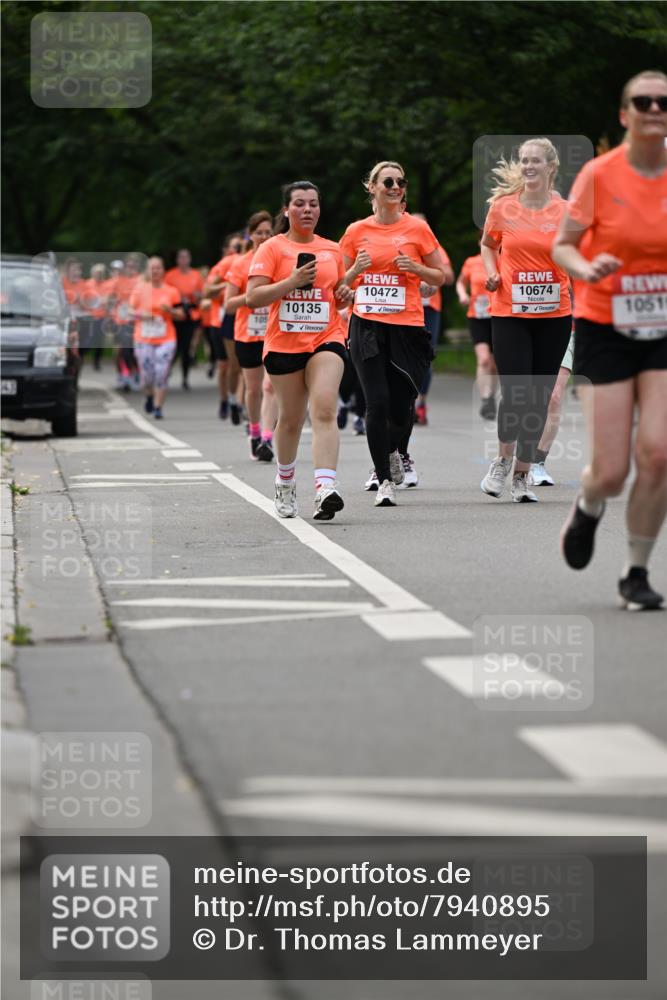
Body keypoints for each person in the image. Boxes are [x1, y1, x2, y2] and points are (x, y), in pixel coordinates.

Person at [553, 70, 667, 609]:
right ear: (625, 114)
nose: (654, 109)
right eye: (643, 102)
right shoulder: (600, 175)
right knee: (613, 470)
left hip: (662, 326)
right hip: (604, 326)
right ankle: (590, 502)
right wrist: (585, 267)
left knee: (660, 454)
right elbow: (563, 246)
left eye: (663, 102)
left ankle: (635, 572)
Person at [340, 161, 446, 507]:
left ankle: (392, 452)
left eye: (401, 181)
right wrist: (355, 271)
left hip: (408, 327)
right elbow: (338, 283)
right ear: (372, 187)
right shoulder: (356, 231)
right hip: (367, 325)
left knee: (402, 407)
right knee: (377, 402)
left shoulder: (417, 228)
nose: (396, 186)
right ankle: (384, 478)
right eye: (388, 181)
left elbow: (441, 275)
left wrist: (416, 268)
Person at [246, 180, 353, 520]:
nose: (307, 209)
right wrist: (291, 282)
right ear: (287, 210)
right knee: (290, 420)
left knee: (324, 407)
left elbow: (337, 295)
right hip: (284, 342)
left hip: (326, 338)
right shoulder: (272, 249)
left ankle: (325, 488)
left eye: (313, 204)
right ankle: (285, 481)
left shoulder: (332, 249)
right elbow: (253, 297)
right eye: (300, 204)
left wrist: (344, 296)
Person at [479, 138, 573, 503]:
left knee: (539, 398)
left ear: (551, 166)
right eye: (524, 160)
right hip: (510, 312)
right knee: (516, 391)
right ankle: (502, 460)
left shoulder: (566, 211)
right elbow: (488, 245)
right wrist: (492, 272)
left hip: (554, 314)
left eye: (535, 160)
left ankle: (521, 475)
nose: (529, 166)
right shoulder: (503, 207)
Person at [225, 211, 278, 462]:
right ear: (250, 235)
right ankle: (255, 433)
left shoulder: (279, 258)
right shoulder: (240, 263)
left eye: (268, 232)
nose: (264, 237)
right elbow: (228, 305)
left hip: (274, 334)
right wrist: (253, 297)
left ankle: (267, 439)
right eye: (259, 233)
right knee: (254, 389)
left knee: (271, 386)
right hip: (247, 334)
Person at [412, 212, 455, 426]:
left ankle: (420, 402)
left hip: (429, 309)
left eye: (424, 226)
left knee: (426, 355)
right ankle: (406, 402)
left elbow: (448, 276)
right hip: (405, 309)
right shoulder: (400, 246)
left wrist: (433, 277)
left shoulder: (435, 249)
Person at [129, 257, 184, 419]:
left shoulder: (171, 291)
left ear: (163, 270)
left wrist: (170, 311)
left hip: (166, 338)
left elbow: (182, 315)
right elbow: (129, 312)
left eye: (158, 268)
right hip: (143, 338)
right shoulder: (140, 290)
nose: (155, 271)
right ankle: (148, 395)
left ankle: (158, 407)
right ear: (147, 271)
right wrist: (143, 315)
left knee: (162, 372)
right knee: (147, 374)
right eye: (152, 268)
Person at [204, 234, 244, 421]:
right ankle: (224, 399)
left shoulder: (257, 259)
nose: (236, 250)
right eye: (234, 247)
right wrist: (228, 286)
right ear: (228, 249)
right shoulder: (224, 264)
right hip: (219, 319)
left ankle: (239, 403)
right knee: (224, 364)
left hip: (244, 318)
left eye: (240, 246)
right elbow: (207, 291)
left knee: (243, 364)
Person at [528, 330, 574, 485]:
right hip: (527, 327)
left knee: (554, 396)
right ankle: (510, 455)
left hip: (565, 329)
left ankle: (538, 462)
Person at [456, 248, 498, 419]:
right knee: (484, 359)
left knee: (495, 364)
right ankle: (486, 399)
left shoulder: (503, 258)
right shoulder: (471, 262)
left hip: (498, 316)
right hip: (477, 317)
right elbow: (460, 283)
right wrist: (462, 295)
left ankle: (492, 397)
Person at [165, 248, 204, 390]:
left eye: (186, 257)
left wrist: (198, 296)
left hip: (190, 314)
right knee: (174, 346)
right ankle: (166, 372)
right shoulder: (170, 275)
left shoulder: (196, 275)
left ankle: (185, 377)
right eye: (181, 257)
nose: (183, 260)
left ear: (189, 259)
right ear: (177, 260)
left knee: (186, 347)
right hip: (175, 314)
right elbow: (164, 293)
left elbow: (201, 295)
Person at [80, 263, 113, 371]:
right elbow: (85, 300)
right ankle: (80, 356)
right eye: (97, 272)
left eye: (101, 273)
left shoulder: (107, 285)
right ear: (92, 273)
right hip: (89, 317)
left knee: (100, 342)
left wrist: (97, 301)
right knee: (89, 340)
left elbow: (107, 300)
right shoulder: (87, 284)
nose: (99, 274)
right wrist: (98, 300)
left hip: (102, 317)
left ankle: (96, 362)